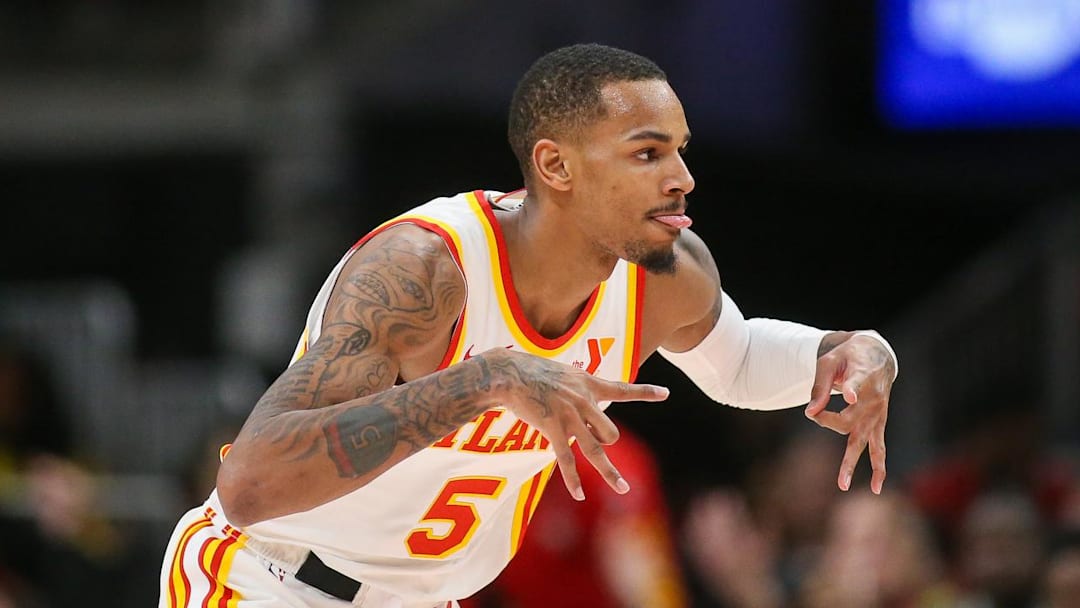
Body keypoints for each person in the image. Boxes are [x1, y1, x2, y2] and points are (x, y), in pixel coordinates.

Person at [158, 43, 898, 608]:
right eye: (647, 153)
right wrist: (484, 380)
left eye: (680, 150)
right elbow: (252, 482)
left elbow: (737, 363)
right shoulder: (423, 270)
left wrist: (841, 352)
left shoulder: (666, 274)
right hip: (272, 580)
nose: (682, 178)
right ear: (556, 166)